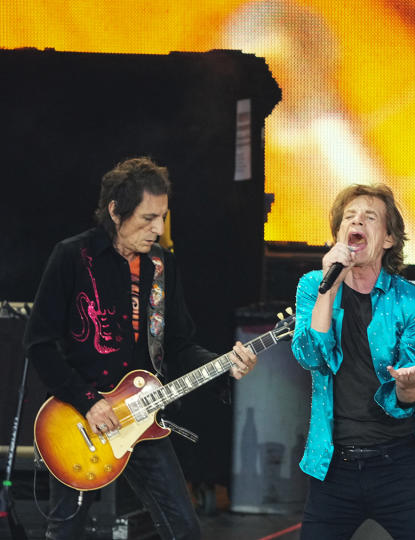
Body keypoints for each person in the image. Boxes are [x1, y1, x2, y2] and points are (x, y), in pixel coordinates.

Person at [24, 157, 258, 539]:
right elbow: (39, 343)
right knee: (65, 532)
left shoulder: (162, 266)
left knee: (183, 529)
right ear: (116, 211)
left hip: (143, 417)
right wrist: (89, 402)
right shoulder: (72, 256)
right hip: (78, 422)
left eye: (162, 217)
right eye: (148, 218)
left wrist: (224, 364)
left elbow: (179, 345)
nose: (158, 228)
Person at [291, 184, 415, 539]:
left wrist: (407, 385)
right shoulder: (314, 285)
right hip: (333, 465)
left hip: (395, 464)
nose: (357, 220)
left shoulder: (411, 302)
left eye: (369, 217)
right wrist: (329, 287)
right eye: (350, 217)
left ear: (388, 239)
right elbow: (311, 355)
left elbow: (408, 403)